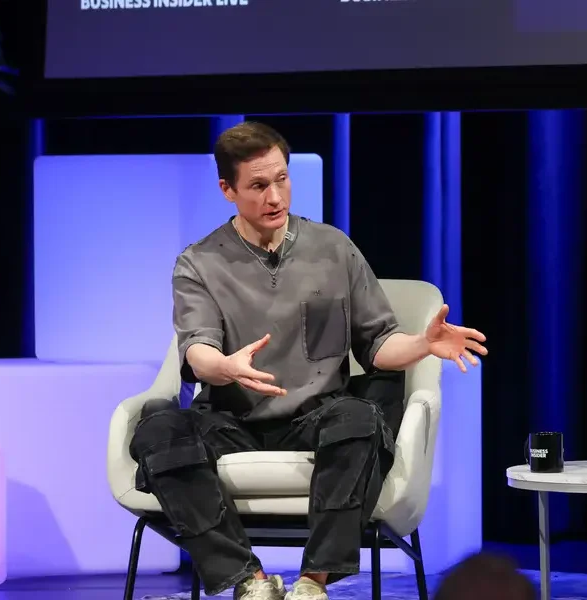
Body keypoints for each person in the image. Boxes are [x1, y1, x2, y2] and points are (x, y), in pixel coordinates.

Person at [129, 121, 488, 600]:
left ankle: (311, 584)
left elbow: (378, 345)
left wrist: (422, 345)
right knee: (156, 433)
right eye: (258, 185)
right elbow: (196, 351)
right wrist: (226, 366)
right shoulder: (199, 262)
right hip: (230, 418)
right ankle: (249, 582)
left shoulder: (333, 248)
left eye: (282, 178)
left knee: (361, 419)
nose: (275, 196)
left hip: (317, 414)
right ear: (227, 190)